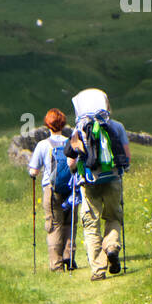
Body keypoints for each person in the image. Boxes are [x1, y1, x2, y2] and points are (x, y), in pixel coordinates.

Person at [64, 89, 131, 282]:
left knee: (91, 224)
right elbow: (126, 157)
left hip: (89, 182)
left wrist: (77, 170)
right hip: (113, 179)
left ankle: (98, 270)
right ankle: (111, 247)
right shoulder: (117, 127)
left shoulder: (78, 129)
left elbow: (71, 163)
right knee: (113, 216)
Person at [28, 108, 77, 272]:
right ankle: (69, 257)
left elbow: (33, 171)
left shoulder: (43, 145)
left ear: (47, 125)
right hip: (71, 189)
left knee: (54, 225)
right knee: (70, 223)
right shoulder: (70, 142)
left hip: (51, 189)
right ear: (63, 124)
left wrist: (34, 173)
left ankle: (56, 265)